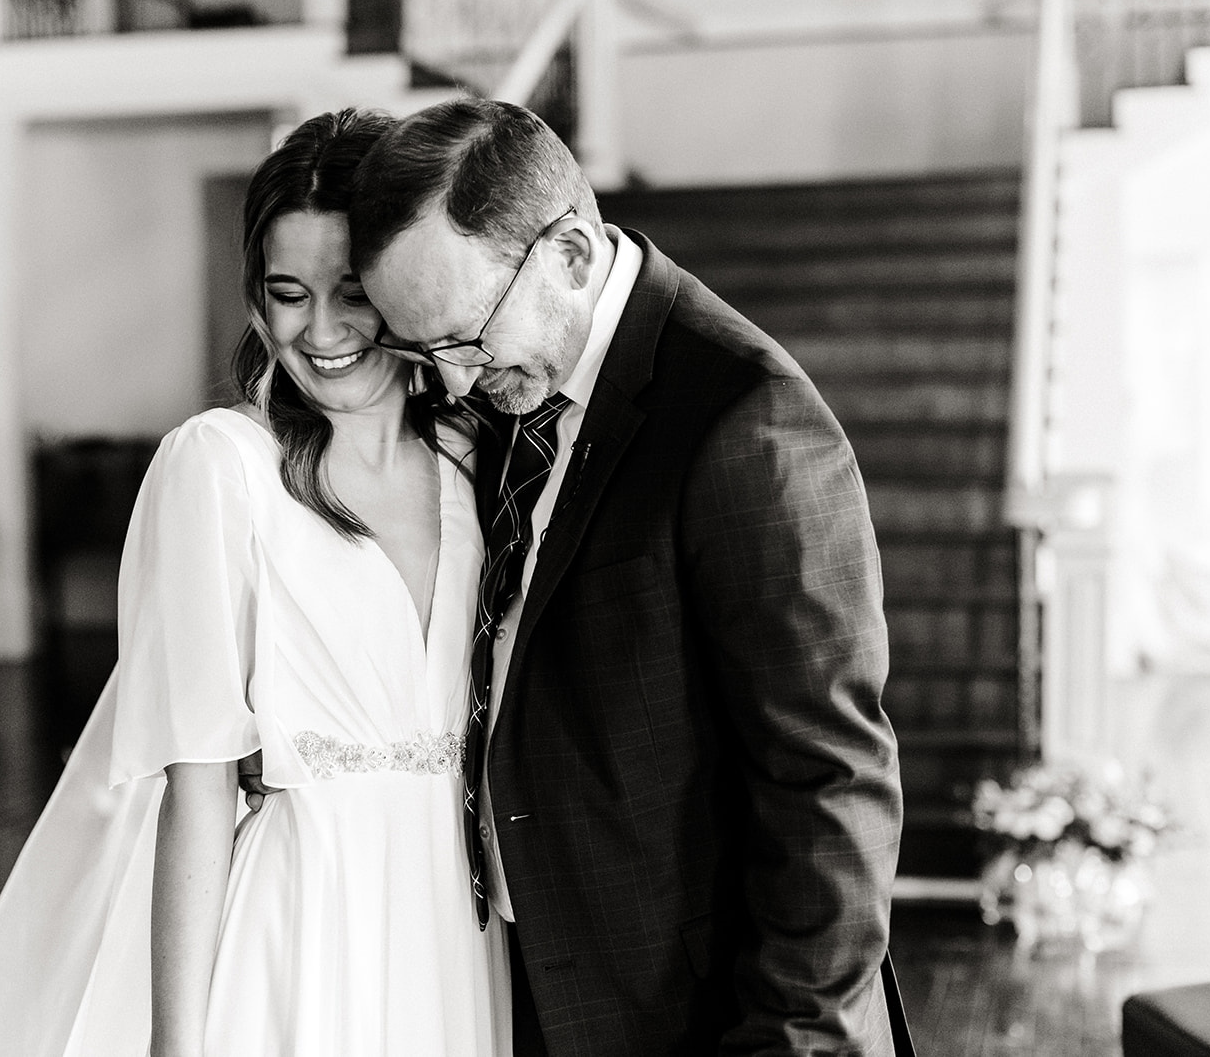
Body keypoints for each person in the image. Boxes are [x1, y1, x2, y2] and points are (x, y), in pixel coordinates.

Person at [0, 108, 510, 1057]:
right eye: (288, 292)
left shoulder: (476, 460)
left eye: (354, 289)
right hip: (302, 931)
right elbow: (196, 788)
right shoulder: (219, 467)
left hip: (455, 922)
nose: (324, 330)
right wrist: (177, 1046)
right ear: (254, 299)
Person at [346, 97, 913, 1056]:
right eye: (422, 348)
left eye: (463, 336)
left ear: (569, 254)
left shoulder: (745, 422)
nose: (447, 381)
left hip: (703, 1018)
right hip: (542, 988)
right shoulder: (514, 388)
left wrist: (791, 1039)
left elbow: (830, 783)